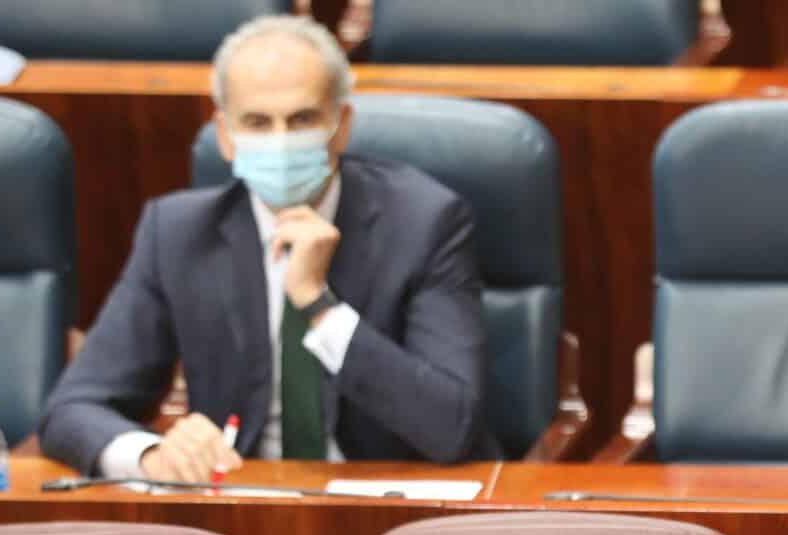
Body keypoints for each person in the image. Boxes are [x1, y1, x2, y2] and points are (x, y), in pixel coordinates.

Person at [39, 15, 498, 482]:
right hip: (243, 504)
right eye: (257, 122)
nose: (280, 141)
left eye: (302, 120)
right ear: (224, 135)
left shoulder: (424, 222)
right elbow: (73, 409)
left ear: (340, 125)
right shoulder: (177, 233)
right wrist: (152, 455)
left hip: (390, 500)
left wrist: (320, 306)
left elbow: (451, 426)